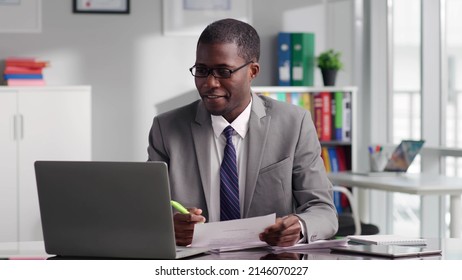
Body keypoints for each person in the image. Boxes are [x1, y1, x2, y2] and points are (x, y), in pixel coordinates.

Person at [147, 18, 338, 247]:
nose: (210, 83)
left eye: (223, 71)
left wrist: (300, 226)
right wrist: (168, 225)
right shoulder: (166, 128)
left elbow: (323, 211)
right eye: (202, 70)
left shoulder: (294, 123)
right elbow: (147, 211)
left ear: (252, 71)